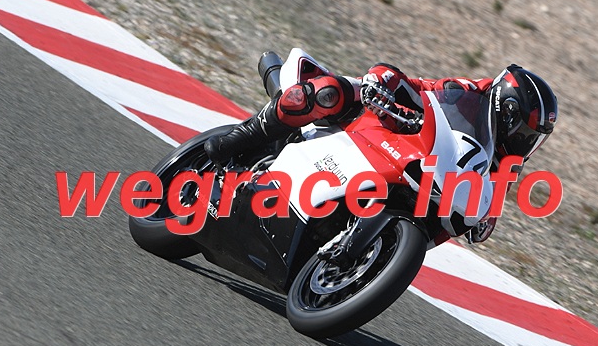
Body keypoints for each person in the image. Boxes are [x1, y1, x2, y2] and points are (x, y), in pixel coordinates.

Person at [204, 60, 558, 242]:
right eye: (525, 132)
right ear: (505, 111)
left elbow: (488, 213)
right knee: (327, 92)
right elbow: (418, 87)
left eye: (534, 138)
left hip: (422, 180)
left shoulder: (505, 165)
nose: (526, 143)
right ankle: (244, 137)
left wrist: (483, 220)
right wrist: (381, 81)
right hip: (385, 127)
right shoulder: (468, 93)